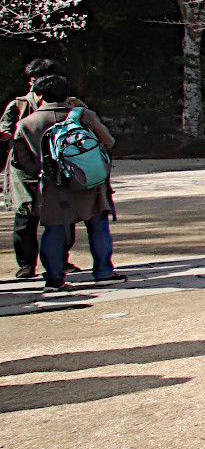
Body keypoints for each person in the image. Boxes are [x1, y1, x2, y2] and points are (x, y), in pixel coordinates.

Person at [10, 74, 121, 289]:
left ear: (39, 95)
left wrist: (45, 171)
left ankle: (54, 277)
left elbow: (21, 160)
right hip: (89, 182)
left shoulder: (26, 124)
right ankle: (104, 271)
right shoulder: (83, 115)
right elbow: (108, 141)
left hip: (53, 185)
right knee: (98, 227)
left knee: (54, 230)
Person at [2, 57, 62, 280]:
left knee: (60, 217)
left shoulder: (67, 103)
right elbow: (4, 130)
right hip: (24, 169)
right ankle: (26, 264)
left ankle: (60, 260)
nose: (36, 84)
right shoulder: (19, 105)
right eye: (33, 79)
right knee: (25, 218)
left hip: (56, 169)